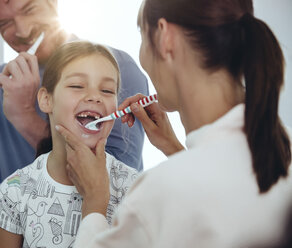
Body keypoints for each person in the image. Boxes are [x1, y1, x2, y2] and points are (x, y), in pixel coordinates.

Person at [55, 0, 292, 247]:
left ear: (165, 37)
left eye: (142, 36)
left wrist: (93, 204)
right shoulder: (282, 146)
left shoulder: (158, 195)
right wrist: (174, 150)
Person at [0, 0, 148, 247]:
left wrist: (24, 115)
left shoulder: (115, 68)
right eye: (5, 23)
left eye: (29, 9)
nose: (22, 31)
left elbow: (105, 178)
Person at [0, 41, 139, 248]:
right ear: (46, 100)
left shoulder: (135, 189)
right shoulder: (15, 191)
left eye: (108, 91)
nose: (94, 97)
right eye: (77, 86)